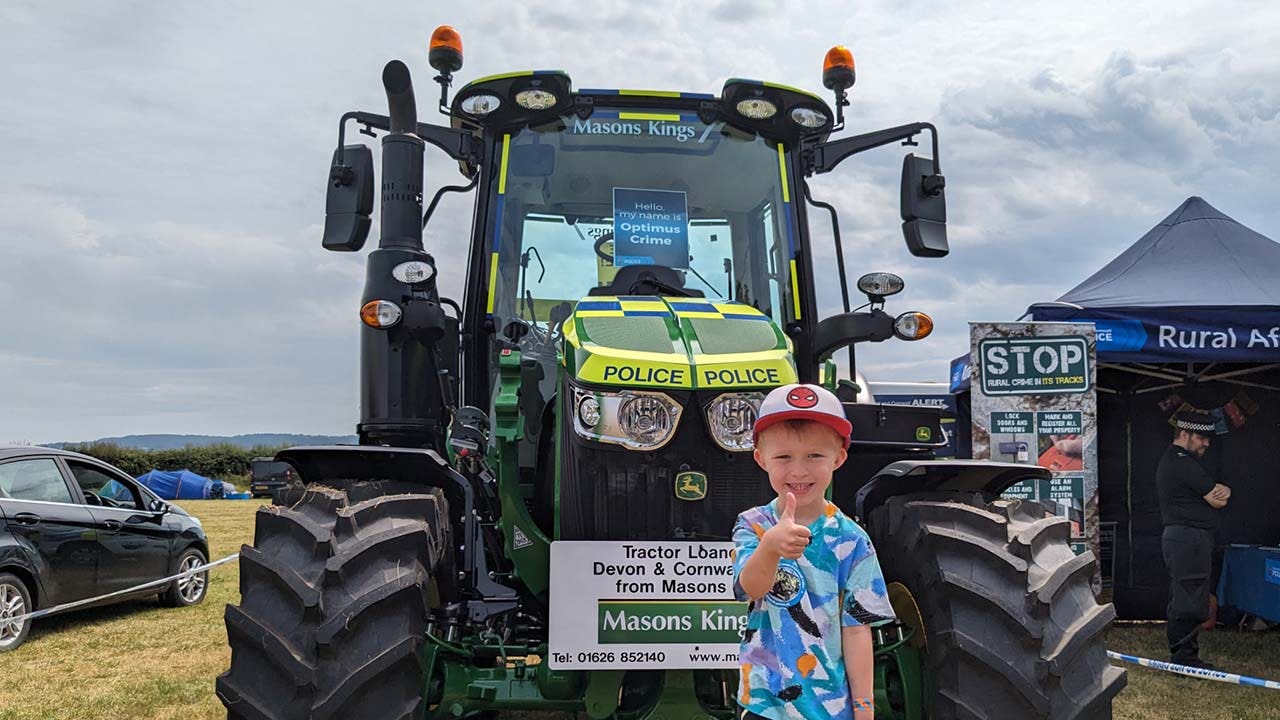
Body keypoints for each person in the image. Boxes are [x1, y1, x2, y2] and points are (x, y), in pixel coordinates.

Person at [731, 383, 895, 720]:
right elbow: (749, 588)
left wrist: (864, 708)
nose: (799, 471)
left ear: (839, 458)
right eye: (784, 457)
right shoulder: (753, 525)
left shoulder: (853, 540)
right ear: (761, 459)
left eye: (815, 456)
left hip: (831, 707)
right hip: (764, 705)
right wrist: (771, 546)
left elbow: (857, 629)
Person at [1156, 409, 1231, 669]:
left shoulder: (1178, 461)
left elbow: (1215, 496)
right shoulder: (1180, 462)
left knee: (1186, 595)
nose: (1206, 443)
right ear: (1184, 434)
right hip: (1187, 539)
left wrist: (1221, 491)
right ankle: (1184, 658)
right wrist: (1224, 491)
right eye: (1201, 438)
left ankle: (1185, 653)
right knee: (1190, 600)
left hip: (1186, 539)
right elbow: (1217, 500)